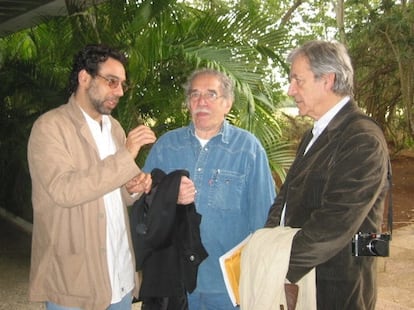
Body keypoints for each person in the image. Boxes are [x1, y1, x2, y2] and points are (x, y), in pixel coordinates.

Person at [27, 44, 157, 310]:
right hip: (74, 280)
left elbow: (117, 191)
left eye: (122, 84)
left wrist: (132, 188)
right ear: (84, 78)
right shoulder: (50, 128)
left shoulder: (115, 129)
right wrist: (127, 154)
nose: (119, 91)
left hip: (119, 275)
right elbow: (65, 191)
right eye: (111, 82)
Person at [265, 40, 390, 309]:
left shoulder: (361, 139)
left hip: (335, 289)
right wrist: (269, 240)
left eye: (298, 80)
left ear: (328, 80)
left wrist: (276, 263)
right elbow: (285, 198)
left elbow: (333, 224)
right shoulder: (314, 133)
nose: (290, 90)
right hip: (302, 282)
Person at [142, 68, 276, 309]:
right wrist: (166, 195)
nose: (201, 101)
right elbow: (145, 206)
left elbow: (263, 220)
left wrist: (261, 279)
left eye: (211, 94)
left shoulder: (248, 149)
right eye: (194, 95)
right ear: (188, 103)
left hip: (226, 287)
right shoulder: (167, 147)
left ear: (228, 103)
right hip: (174, 285)